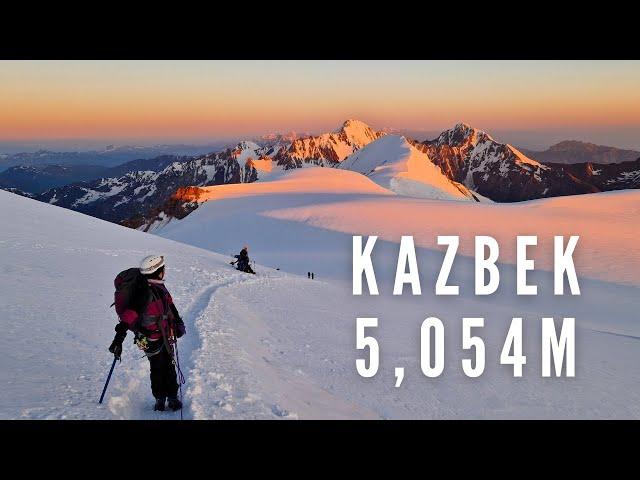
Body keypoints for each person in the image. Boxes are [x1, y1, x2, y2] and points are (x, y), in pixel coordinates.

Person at [108, 255, 186, 412]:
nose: (165, 271)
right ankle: (163, 398)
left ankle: (168, 397)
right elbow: (130, 314)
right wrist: (119, 338)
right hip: (152, 338)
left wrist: (177, 322)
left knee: (164, 366)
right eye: (163, 269)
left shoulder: (158, 287)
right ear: (158, 272)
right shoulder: (145, 292)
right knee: (161, 367)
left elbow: (170, 304)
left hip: (161, 336)